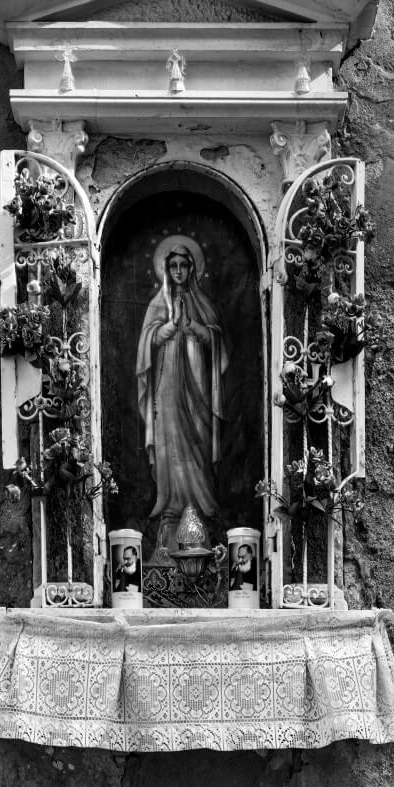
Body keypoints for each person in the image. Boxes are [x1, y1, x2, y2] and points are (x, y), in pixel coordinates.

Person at [136, 235, 228, 556]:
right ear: (165, 268)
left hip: (198, 385)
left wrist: (193, 328)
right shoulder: (158, 303)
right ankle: (172, 505)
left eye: (183, 266)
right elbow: (147, 342)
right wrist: (170, 326)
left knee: (198, 437)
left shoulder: (202, 303)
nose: (178, 271)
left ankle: (199, 506)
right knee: (169, 437)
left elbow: (217, 343)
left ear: (192, 269)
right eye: (172, 265)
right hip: (167, 384)